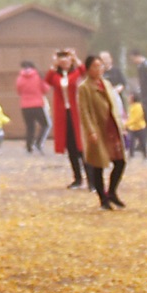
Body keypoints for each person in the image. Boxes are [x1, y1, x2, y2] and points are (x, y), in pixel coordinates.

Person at [74, 52, 129, 208]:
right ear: (88, 69)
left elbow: (115, 105)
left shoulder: (106, 84)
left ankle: (112, 192)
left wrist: (122, 124)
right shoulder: (84, 87)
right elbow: (84, 111)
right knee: (98, 164)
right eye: (95, 66)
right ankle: (102, 198)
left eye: (101, 66)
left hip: (112, 127)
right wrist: (90, 130)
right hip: (98, 129)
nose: (99, 69)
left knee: (120, 161)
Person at [51, 48, 86, 189]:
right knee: (71, 147)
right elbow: (48, 80)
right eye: (62, 60)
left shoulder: (76, 73)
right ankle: (77, 178)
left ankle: (91, 178)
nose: (64, 63)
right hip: (64, 114)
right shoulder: (57, 76)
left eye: (67, 60)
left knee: (82, 146)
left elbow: (85, 72)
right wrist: (54, 65)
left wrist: (75, 58)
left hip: (76, 113)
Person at [15, 59, 48, 152]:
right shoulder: (39, 76)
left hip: (25, 106)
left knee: (30, 127)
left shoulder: (20, 78)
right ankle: (38, 142)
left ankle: (29, 146)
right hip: (37, 104)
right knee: (45, 124)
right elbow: (45, 89)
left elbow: (19, 91)